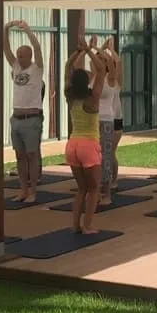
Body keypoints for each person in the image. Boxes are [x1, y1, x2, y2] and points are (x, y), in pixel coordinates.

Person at [64, 45, 107, 235]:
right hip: (88, 145)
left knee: (81, 189)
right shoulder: (93, 98)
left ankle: (75, 225)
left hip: (72, 145)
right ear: (87, 81)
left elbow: (67, 67)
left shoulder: (70, 97)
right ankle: (88, 226)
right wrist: (88, 50)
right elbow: (102, 70)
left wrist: (78, 51)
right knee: (94, 189)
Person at [3, 19, 45, 206]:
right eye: (18, 55)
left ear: (30, 56)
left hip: (32, 118)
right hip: (16, 119)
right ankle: (23, 190)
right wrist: (5, 29)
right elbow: (6, 49)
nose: (19, 58)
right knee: (19, 156)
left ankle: (33, 191)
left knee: (32, 155)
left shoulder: (37, 69)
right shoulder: (16, 67)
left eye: (22, 55)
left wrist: (27, 30)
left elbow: (37, 47)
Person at [94, 37, 124, 206]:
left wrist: (109, 50)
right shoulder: (96, 77)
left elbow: (117, 63)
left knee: (110, 152)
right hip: (99, 119)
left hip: (114, 118)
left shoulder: (114, 79)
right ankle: (104, 181)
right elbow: (94, 62)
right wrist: (98, 49)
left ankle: (113, 180)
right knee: (103, 153)